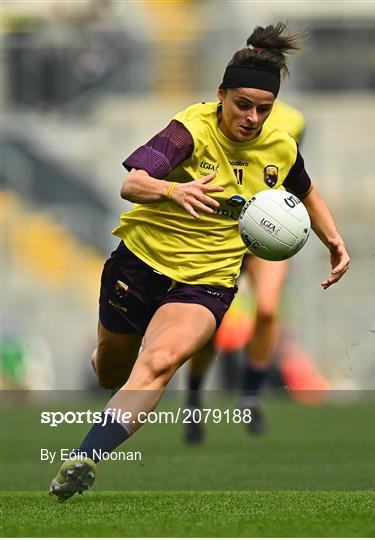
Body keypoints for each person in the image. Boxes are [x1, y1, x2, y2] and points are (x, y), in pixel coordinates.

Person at [49, 22, 350, 501]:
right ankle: (109, 377)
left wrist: (333, 240)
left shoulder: (280, 147)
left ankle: (85, 457)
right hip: (140, 264)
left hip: (207, 281)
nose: (252, 118)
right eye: (243, 105)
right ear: (220, 95)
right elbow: (131, 184)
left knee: (160, 361)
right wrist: (174, 189)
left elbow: (305, 190)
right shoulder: (189, 129)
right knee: (111, 372)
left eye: (263, 109)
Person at [184, 99, 306, 443]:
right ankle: (194, 398)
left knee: (267, 310)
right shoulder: (216, 115)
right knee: (210, 323)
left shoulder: (294, 121)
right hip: (223, 231)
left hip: (268, 230)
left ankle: (249, 397)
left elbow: (294, 176)